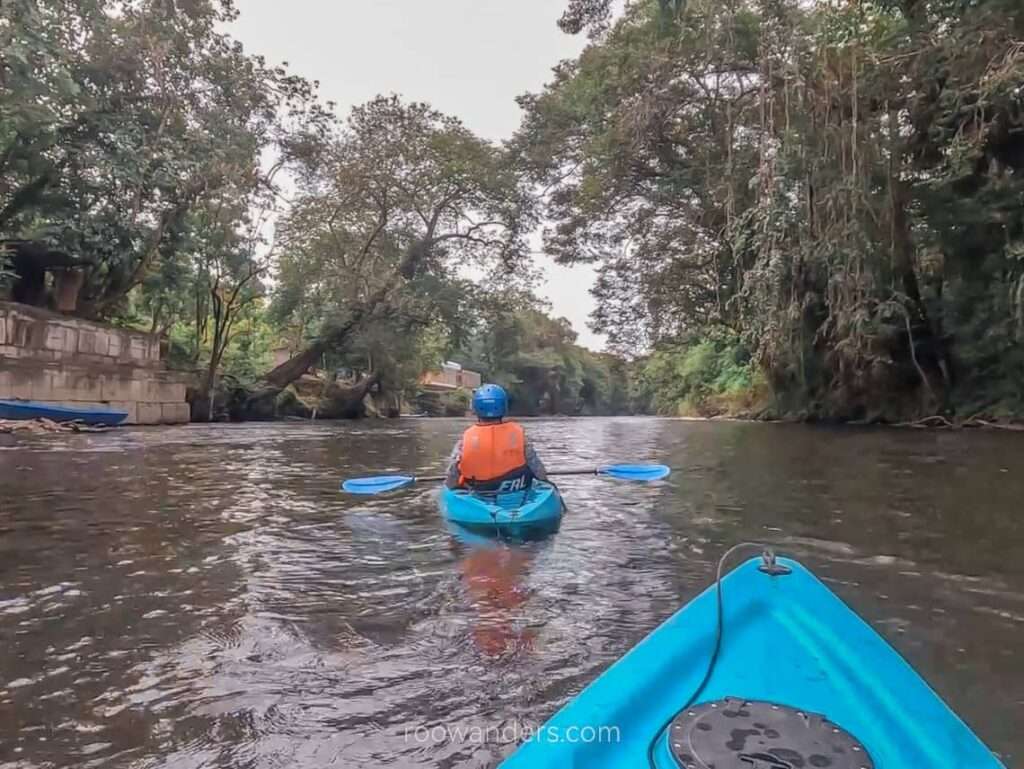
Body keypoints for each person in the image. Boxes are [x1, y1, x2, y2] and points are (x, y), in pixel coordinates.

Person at [445, 384, 548, 491]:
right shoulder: (520, 436)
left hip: (478, 488)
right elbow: (536, 467)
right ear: (504, 406)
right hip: (515, 486)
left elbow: (452, 473)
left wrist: (450, 488)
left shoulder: (464, 441)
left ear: (476, 408)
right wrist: (545, 482)